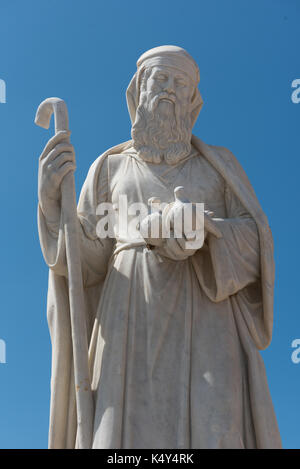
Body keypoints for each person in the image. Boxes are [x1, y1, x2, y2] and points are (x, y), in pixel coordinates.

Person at [38, 45, 281, 448]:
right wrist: (50, 204)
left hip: (209, 323)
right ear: (140, 88)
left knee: (219, 430)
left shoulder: (218, 166)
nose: (168, 89)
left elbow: (257, 241)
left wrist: (203, 231)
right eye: (160, 79)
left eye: (180, 83)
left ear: (192, 100)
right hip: (128, 320)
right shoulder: (108, 168)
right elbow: (86, 264)